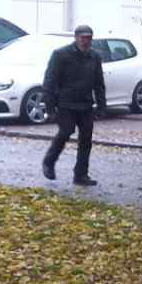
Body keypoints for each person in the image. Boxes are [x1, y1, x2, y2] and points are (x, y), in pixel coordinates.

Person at [42, 25, 106, 186]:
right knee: (66, 131)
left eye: (89, 38)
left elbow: (99, 83)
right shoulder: (61, 55)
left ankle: (81, 174)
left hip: (85, 105)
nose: (86, 41)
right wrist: (50, 108)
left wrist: (102, 106)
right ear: (76, 38)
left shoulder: (94, 57)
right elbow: (49, 82)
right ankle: (49, 162)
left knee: (86, 139)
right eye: (83, 38)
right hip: (65, 104)